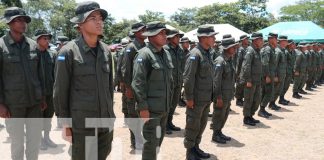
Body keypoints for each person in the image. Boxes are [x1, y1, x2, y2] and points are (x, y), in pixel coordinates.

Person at [53, 2, 115, 160]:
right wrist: (65, 123)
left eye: (100, 18)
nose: (99, 22)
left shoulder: (106, 51)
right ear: (80, 23)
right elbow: (60, 90)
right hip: (82, 125)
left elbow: (109, 88)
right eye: (93, 18)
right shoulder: (68, 52)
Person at [0, 7, 46, 160]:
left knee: (34, 142)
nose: (23, 23)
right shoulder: (1, 47)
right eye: (18, 20)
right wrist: (1, 104)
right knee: (17, 143)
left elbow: (40, 75)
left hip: (34, 103)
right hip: (13, 105)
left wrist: (43, 97)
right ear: (9, 23)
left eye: (24, 20)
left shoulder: (33, 46)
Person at [131, 21, 173, 160]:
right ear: (151, 36)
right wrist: (143, 107)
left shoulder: (165, 54)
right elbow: (138, 83)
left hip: (164, 107)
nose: (164, 36)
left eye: (165, 33)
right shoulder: (144, 55)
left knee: (158, 142)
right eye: (161, 33)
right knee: (151, 143)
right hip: (150, 110)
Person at [183, 25, 217, 160]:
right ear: (203, 38)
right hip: (196, 99)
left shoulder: (207, 53)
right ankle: (190, 152)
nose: (214, 38)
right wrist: (189, 97)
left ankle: (196, 147)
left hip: (205, 98)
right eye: (212, 36)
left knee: (201, 125)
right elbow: (188, 78)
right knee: (192, 125)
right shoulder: (195, 54)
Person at [121, 22, 147, 150]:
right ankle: (135, 140)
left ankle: (140, 138)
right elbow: (126, 70)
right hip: (133, 87)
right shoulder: (131, 47)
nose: (144, 32)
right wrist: (128, 88)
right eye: (142, 30)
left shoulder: (145, 46)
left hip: (143, 88)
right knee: (133, 115)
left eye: (145, 29)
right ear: (136, 33)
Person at [33, 29, 58, 150]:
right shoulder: (31, 54)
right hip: (37, 94)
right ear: (37, 39)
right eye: (44, 38)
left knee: (48, 116)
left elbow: (56, 73)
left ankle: (47, 137)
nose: (47, 40)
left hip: (50, 91)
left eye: (48, 38)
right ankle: (39, 140)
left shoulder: (52, 54)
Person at [211, 37, 237, 144]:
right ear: (227, 48)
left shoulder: (229, 60)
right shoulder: (220, 61)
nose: (235, 48)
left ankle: (219, 131)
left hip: (228, 94)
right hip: (221, 95)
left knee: (224, 114)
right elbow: (216, 81)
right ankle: (215, 135)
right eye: (233, 47)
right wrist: (218, 97)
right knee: (219, 114)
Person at [239, 32, 263, 126]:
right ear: (255, 40)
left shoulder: (257, 50)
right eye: (260, 40)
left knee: (256, 99)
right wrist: (248, 80)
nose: (262, 41)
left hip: (257, 80)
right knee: (249, 99)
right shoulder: (250, 50)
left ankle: (251, 115)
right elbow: (246, 66)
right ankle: (246, 117)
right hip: (251, 81)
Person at [164, 29, 184, 134]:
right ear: (170, 38)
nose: (178, 38)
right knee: (167, 104)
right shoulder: (165, 49)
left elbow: (182, 65)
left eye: (179, 37)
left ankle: (169, 122)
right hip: (169, 82)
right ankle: (164, 125)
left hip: (178, 81)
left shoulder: (179, 49)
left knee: (174, 103)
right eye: (176, 36)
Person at [259, 32, 278, 118]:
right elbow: (264, 63)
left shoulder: (271, 48)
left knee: (267, 92)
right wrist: (267, 76)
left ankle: (262, 109)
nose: (276, 40)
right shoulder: (267, 49)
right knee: (268, 92)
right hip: (267, 75)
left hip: (270, 74)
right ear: (271, 39)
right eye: (275, 38)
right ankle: (261, 110)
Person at [272, 35, 289, 108]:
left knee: (278, 90)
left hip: (282, 75)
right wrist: (275, 76)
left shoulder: (283, 50)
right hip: (278, 75)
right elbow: (274, 65)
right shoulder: (278, 51)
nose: (287, 42)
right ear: (281, 41)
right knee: (275, 90)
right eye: (285, 41)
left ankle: (273, 103)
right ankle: (271, 104)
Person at [235, 35, 249, 106]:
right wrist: (238, 73)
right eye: (246, 39)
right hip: (241, 70)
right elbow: (239, 61)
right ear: (243, 40)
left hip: (245, 70)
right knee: (240, 85)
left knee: (244, 85)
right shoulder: (241, 49)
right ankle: (238, 99)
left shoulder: (247, 48)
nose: (248, 40)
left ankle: (241, 99)